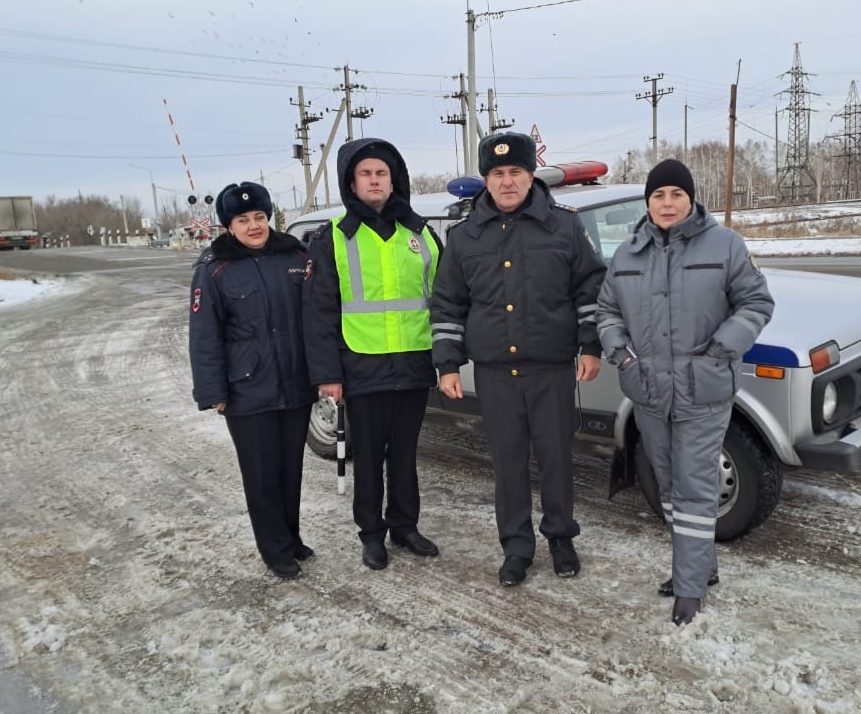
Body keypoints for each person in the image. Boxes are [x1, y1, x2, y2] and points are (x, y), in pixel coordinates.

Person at [596, 159, 774, 625]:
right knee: (669, 485)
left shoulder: (726, 245)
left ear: (692, 199)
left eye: (676, 194)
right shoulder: (628, 253)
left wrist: (722, 349)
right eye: (659, 196)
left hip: (704, 390)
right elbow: (607, 311)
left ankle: (689, 586)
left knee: (695, 488)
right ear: (648, 203)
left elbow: (757, 302)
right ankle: (702, 565)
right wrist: (622, 354)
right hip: (648, 391)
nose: (667, 203)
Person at [431, 131, 606, 587]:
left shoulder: (564, 226)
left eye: (516, 172)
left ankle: (561, 538)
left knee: (556, 460)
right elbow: (448, 304)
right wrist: (447, 364)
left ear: (531, 176)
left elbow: (589, 290)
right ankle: (516, 548)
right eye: (497, 173)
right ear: (486, 179)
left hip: (550, 368)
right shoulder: (465, 237)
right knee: (508, 464)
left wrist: (591, 346)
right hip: (495, 373)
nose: (507, 182)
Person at [302, 137, 443, 571]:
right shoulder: (334, 240)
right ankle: (372, 533)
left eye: (381, 172)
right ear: (351, 182)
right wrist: (328, 374)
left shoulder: (420, 233)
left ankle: (405, 527)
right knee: (367, 458)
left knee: (404, 454)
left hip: (414, 364)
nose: (375, 180)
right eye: (366, 173)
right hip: (361, 366)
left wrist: (449, 358)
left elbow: (445, 296)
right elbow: (319, 312)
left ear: (393, 179)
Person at [189, 181, 315, 580]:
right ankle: (274, 550)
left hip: (295, 383)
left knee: (289, 469)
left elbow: (316, 317)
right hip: (247, 388)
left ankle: (291, 538)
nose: (254, 226)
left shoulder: (294, 256)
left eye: (259, 217)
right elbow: (204, 335)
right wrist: (214, 393)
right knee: (262, 474)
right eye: (243, 220)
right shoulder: (214, 269)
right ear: (229, 226)